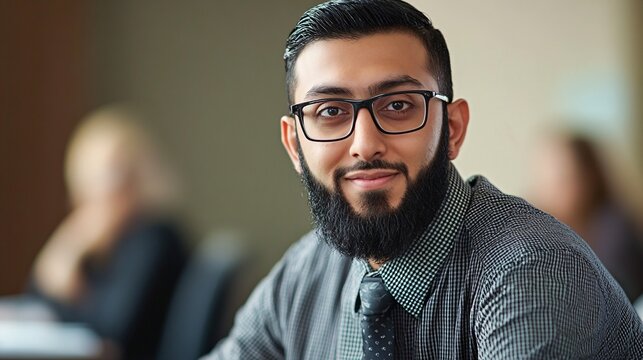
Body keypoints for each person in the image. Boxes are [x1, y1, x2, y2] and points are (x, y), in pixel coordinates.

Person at [203, 1, 643, 358]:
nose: (364, 144)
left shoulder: (532, 270)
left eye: (397, 106)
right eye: (330, 112)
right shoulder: (307, 270)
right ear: (294, 145)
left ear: (452, 128)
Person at [28, 106, 188, 359]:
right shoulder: (107, 245)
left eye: (114, 175)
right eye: (94, 177)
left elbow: (111, 329)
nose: (105, 189)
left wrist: (68, 251)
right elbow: (39, 301)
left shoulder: (155, 239)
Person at [529, 132, 643, 302]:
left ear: (588, 178)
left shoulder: (615, 231)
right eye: (544, 182)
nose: (546, 194)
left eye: (560, 181)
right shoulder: (554, 229)